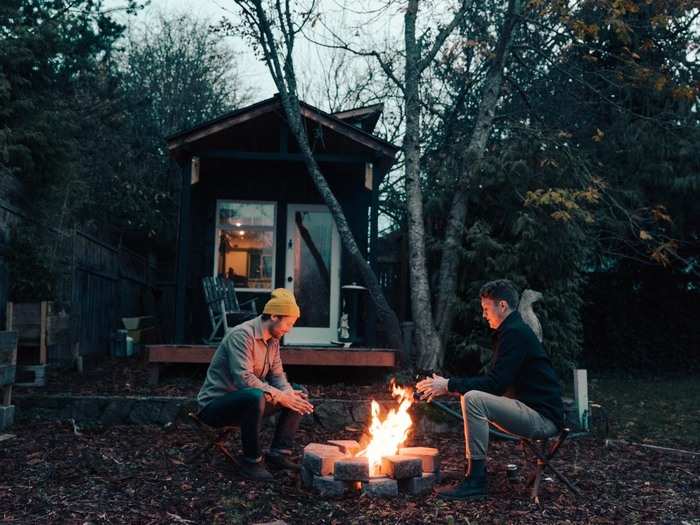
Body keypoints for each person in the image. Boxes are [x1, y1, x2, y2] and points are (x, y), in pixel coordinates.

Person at [416, 279, 564, 500]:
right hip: (531, 410)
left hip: (542, 418)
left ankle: (475, 481)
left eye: (486, 309)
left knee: (474, 399)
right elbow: (497, 383)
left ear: (502, 306)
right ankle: (474, 476)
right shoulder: (512, 331)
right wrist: (449, 385)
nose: (484, 315)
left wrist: (448, 385)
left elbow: (495, 384)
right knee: (473, 396)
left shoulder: (515, 333)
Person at [196, 288, 314, 481]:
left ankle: (279, 453)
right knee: (254, 395)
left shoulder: (273, 340)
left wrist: (288, 394)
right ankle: (251, 461)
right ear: (274, 316)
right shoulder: (242, 335)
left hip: (249, 402)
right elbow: (244, 380)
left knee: (298, 394)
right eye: (289, 323)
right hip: (215, 407)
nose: (290, 329)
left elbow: (277, 375)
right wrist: (280, 396)